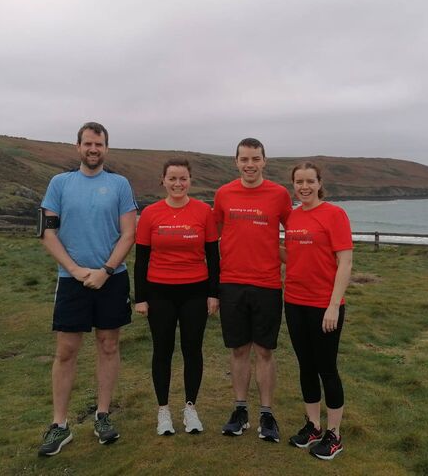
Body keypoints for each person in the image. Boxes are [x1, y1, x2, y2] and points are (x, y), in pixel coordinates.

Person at [37, 122, 137, 456]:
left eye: (99, 144)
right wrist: (77, 270)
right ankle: (59, 425)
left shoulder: (120, 184)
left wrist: (106, 270)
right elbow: (47, 233)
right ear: (78, 146)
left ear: (107, 148)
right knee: (66, 350)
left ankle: (103, 415)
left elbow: (128, 234)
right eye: (88, 144)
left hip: (112, 278)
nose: (93, 149)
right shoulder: (59, 183)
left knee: (108, 345)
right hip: (72, 281)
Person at [133, 158, 220, 436]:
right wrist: (140, 298)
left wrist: (213, 294)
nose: (178, 184)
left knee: (192, 350)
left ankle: (190, 409)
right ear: (163, 180)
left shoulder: (203, 212)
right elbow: (141, 259)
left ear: (190, 180)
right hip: (159, 292)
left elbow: (213, 256)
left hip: (195, 290)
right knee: (162, 351)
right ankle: (163, 411)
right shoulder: (150, 213)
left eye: (183, 178)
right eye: (172, 178)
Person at [213, 138, 292, 442]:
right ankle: (240, 409)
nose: (250, 164)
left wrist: (301, 261)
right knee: (239, 349)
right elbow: (213, 235)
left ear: (264, 160)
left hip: (268, 283)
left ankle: (267, 413)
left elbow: (295, 233)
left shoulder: (279, 195)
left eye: (255, 159)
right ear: (236, 161)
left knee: (265, 350)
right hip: (231, 282)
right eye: (244, 159)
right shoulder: (223, 194)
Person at [283, 162, 353, 461]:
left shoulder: (334, 214)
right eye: (299, 182)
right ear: (294, 185)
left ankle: (334, 435)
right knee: (306, 366)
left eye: (310, 181)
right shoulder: (292, 216)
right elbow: (294, 256)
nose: (304, 187)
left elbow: (345, 262)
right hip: (294, 301)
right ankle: (313, 426)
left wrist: (333, 305)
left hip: (325, 306)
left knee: (327, 368)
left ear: (319, 183)